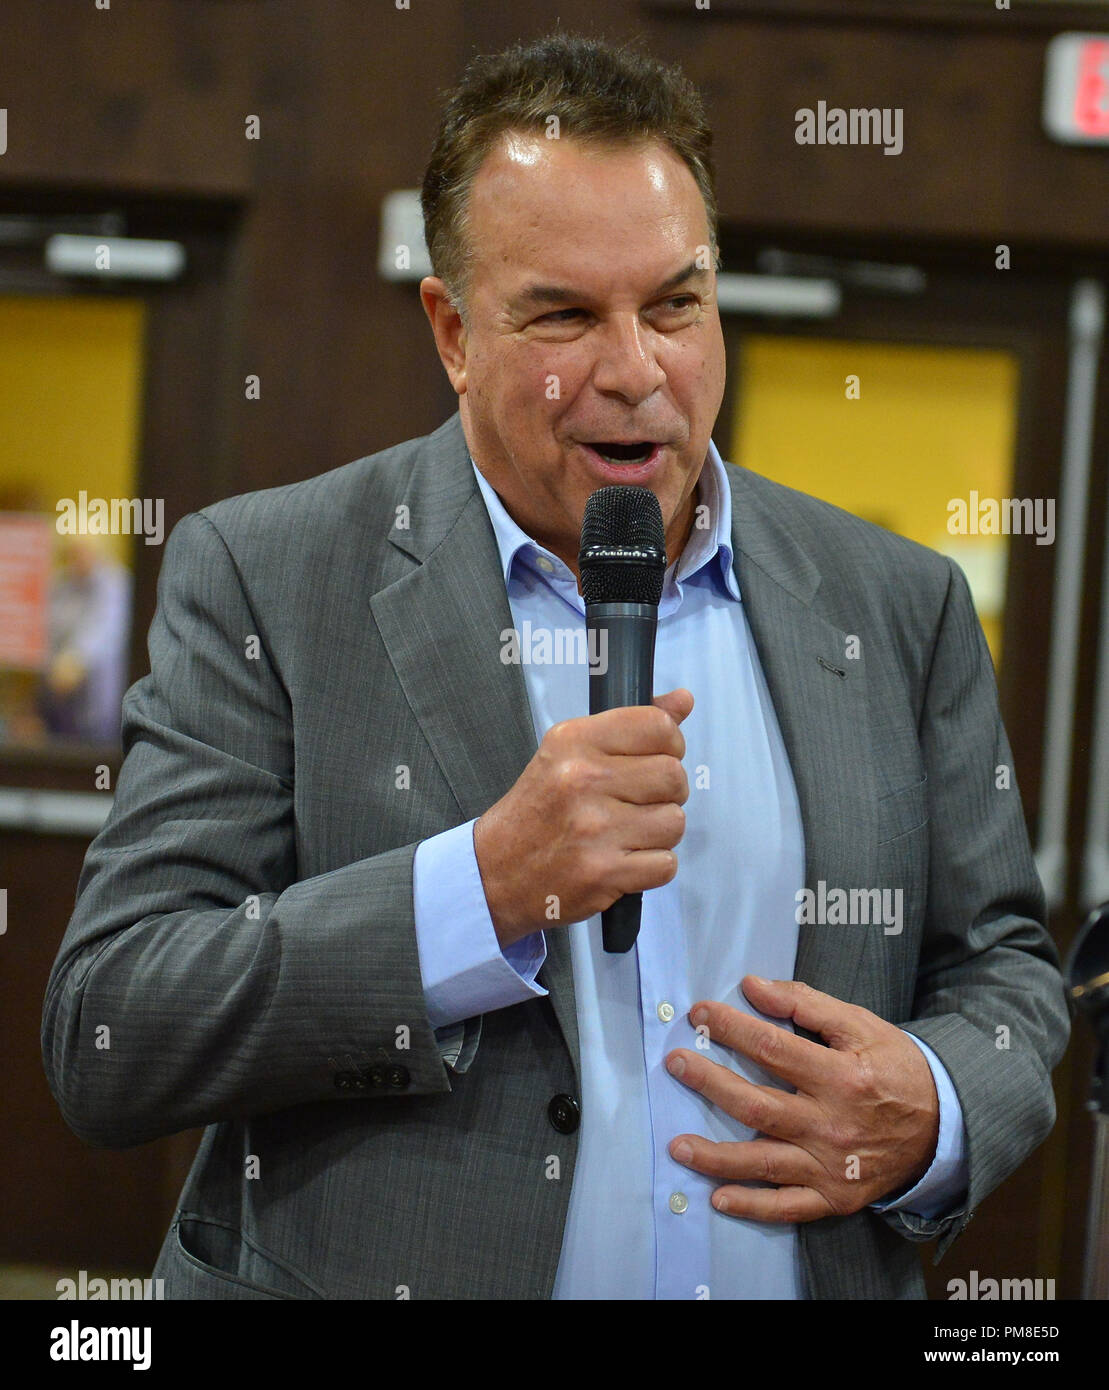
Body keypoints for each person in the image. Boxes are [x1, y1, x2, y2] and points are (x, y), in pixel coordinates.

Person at [42, 31, 1069, 1300]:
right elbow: (113, 1029)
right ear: (452, 330)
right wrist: (477, 889)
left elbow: (1004, 967)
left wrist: (939, 1104)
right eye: (565, 315)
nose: (635, 372)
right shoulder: (270, 577)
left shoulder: (894, 601)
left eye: (676, 305)